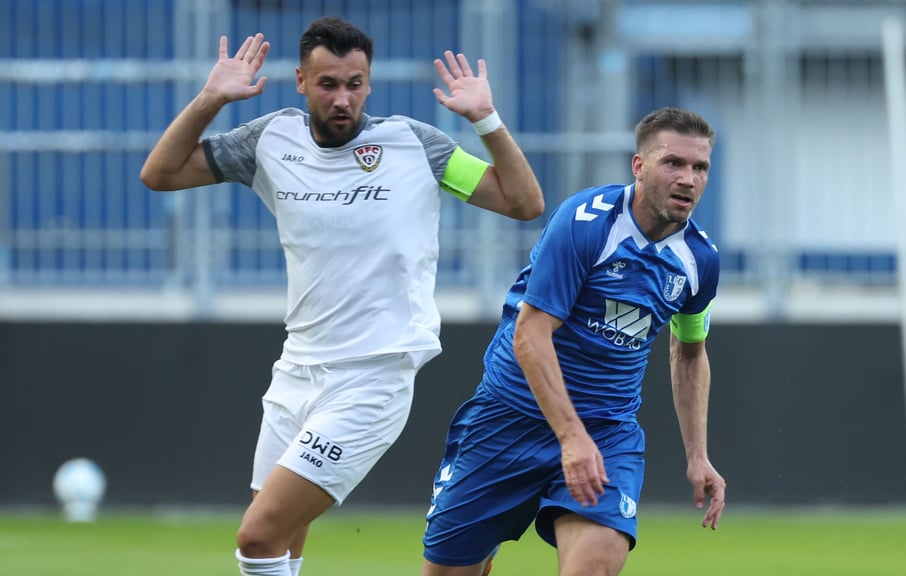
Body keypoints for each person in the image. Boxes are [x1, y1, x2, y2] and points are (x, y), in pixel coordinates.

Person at [139, 16, 544, 576]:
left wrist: (486, 119)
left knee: (257, 537)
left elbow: (523, 203)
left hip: (373, 376)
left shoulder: (415, 146)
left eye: (355, 83)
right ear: (301, 80)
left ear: (369, 84)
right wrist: (210, 98)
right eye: (328, 83)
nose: (342, 97)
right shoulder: (268, 139)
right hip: (297, 370)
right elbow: (159, 174)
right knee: (281, 542)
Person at [421, 107, 726, 576]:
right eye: (673, 163)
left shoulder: (699, 261)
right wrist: (569, 437)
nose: (688, 179)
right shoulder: (587, 223)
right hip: (509, 419)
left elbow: (689, 354)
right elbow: (530, 334)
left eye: (699, 167)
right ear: (639, 166)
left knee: (595, 565)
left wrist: (698, 455)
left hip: (607, 432)